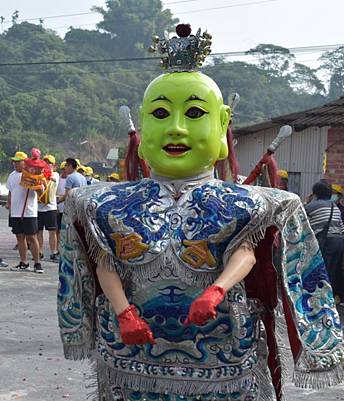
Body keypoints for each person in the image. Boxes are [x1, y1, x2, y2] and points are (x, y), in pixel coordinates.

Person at [58, 24, 344, 401]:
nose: (176, 128)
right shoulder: (102, 204)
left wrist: (216, 290)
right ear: (142, 129)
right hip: (131, 360)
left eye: (194, 113)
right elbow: (105, 264)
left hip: (223, 355)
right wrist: (123, 312)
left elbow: (246, 252)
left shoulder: (253, 205)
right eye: (160, 114)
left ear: (222, 124)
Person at [305, 180, 344, 302]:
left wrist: (307, 201)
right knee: (332, 270)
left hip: (325, 242)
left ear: (315, 193)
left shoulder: (312, 206)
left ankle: (318, 299)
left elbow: (299, 217)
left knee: (321, 269)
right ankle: (327, 297)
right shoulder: (335, 207)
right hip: (339, 242)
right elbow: (341, 228)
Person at [6, 151, 43, 273]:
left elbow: (41, 192)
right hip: (16, 211)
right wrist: (9, 204)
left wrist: (35, 185)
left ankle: (37, 263)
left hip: (29, 212)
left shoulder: (33, 175)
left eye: (18, 161)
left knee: (32, 237)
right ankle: (23, 262)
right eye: (14, 161)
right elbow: (11, 191)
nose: (15, 163)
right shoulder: (11, 175)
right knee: (19, 237)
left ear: (25, 163)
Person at [37, 154, 59, 261]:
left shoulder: (55, 175)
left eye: (48, 162)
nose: (46, 164)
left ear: (54, 165)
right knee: (38, 231)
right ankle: (39, 251)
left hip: (50, 208)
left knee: (52, 231)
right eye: (44, 162)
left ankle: (53, 252)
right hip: (38, 208)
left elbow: (49, 179)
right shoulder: (38, 174)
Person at [55, 161, 68, 254]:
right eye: (62, 169)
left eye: (65, 169)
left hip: (66, 207)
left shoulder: (70, 180)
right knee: (57, 230)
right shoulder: (57, 179)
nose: (64, 171)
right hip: (57, 207)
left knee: (66, 230)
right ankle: (57, 248)